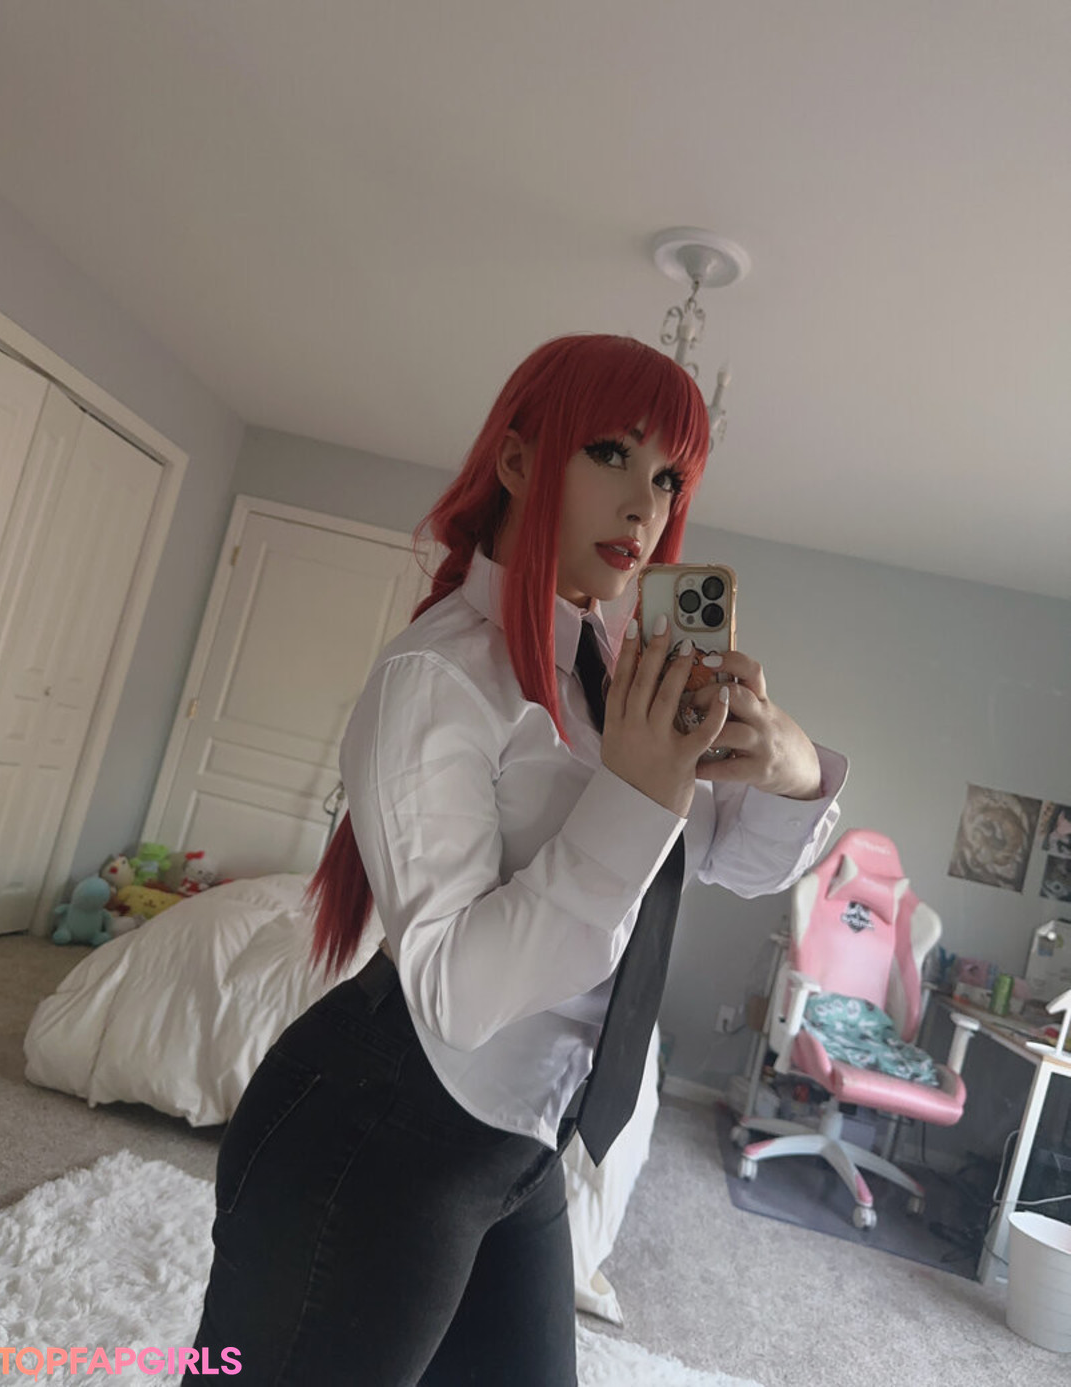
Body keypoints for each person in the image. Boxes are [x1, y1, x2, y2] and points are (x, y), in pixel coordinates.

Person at [188, 333, 846, 1385]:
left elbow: (733, 861)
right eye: (611, 453)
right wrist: (637, 793)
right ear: (516, 460)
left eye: (669, 478)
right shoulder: (439, 676)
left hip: (527, 1140)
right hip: (378, 1127)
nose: (645, 505)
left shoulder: (623, 674)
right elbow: (454, 988)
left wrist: (792, 765)